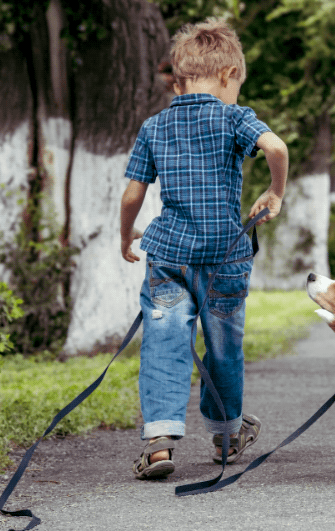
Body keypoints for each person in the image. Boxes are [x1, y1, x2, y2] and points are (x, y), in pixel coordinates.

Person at [119, 18, 288, 479]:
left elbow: (133, 194)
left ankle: (158, 443)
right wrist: (275, 192)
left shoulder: (154, 127)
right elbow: (275, 147)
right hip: (224, 260)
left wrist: (125, 235)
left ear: (178, 79)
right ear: (230, 73)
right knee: (223, 348)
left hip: (168, 261)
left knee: (165, 341)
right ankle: (227, 436)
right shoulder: (234, 117)